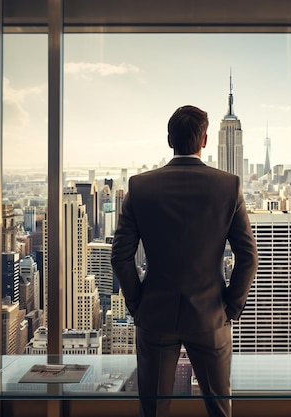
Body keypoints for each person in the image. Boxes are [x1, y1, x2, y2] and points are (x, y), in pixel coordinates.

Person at [111, 105, 258, 417]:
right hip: (210, 316)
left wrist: (139, 305)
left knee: (153, 410)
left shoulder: (141, 187)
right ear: (204, 140)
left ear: (169, 139)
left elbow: (120, 256)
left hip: (155, 315)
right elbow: (247, 256)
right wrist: (230, 307)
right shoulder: (228, 186)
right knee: (219, 409)